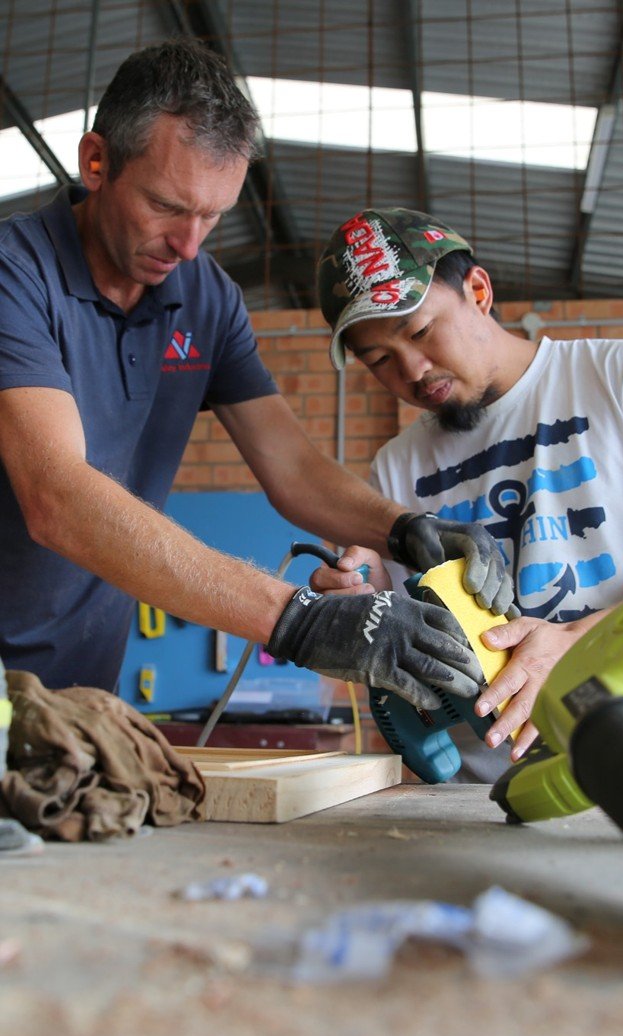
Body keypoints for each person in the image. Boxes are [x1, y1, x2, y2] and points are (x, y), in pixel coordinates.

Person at [0, 43, 514, 714]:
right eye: (166, 206)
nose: (188, 245)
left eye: (212, 216)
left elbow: (292, 466)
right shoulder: (15, 275)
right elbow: (57, 498)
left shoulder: (205, 296)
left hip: (71, 693)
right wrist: (295, 618)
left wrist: (402, 528)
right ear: (96, 162)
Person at [312, 206, 623, 762]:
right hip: (485, 791)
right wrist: (374, 595)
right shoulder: (395, 465)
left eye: (421, 331)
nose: (411, 370)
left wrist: (580, 642)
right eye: (380, 359)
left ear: (478, 290)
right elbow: (422, 637)